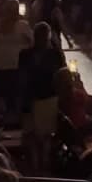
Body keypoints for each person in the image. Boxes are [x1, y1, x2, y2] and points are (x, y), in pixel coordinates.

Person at [19, 22, 66, 172]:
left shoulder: (25, 54)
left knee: (34, 134)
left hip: (32, 97)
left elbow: (21, 77)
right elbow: (61, 75)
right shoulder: (55, 54)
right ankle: (42, 163)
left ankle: (37, 163)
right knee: (44, 135)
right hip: (46, 97)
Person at [0, 0, 34, 122]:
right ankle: (13, 120)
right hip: (15, 63)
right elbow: (32, 41)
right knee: (14, 95)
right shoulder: (22, 25)